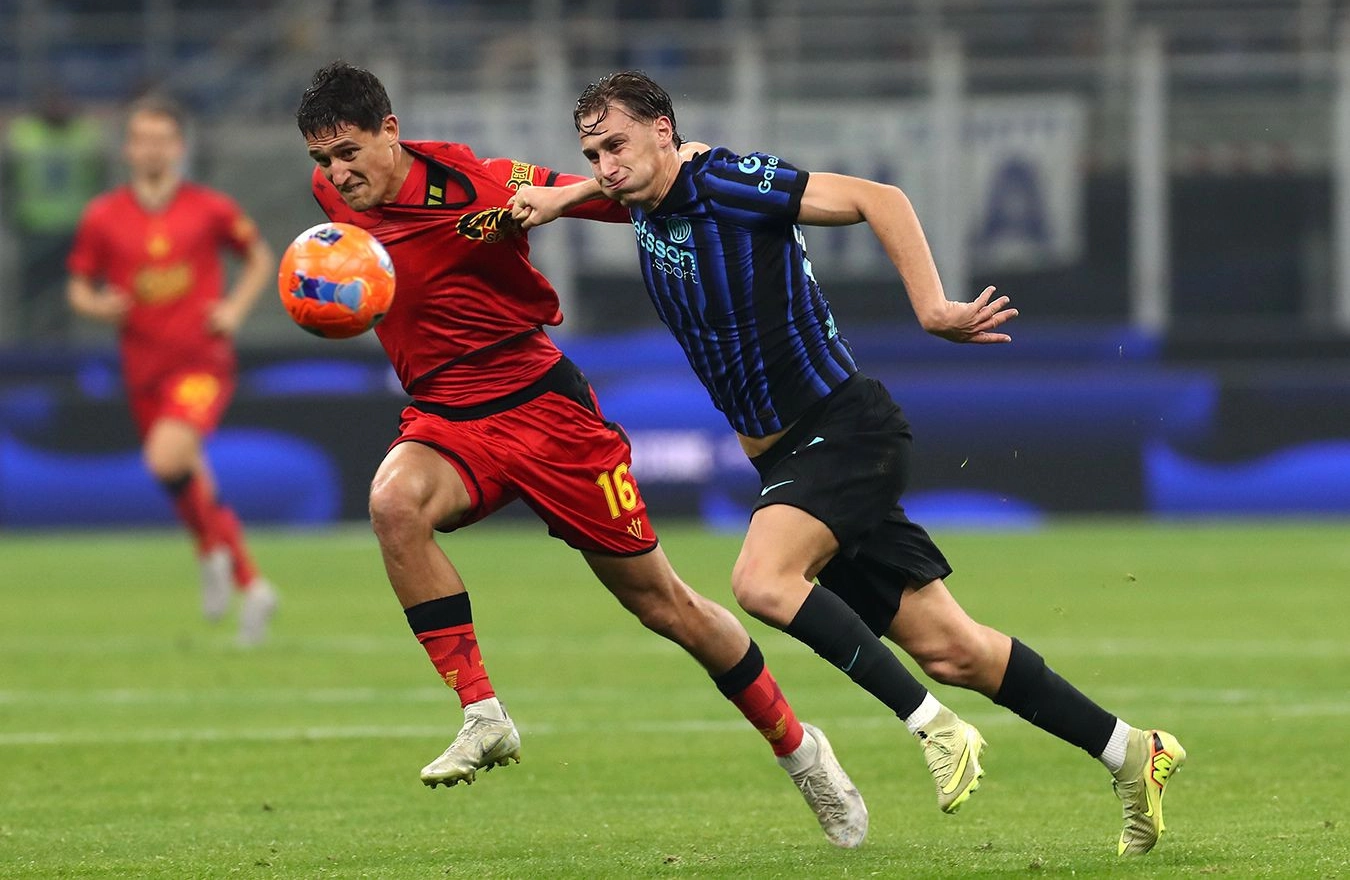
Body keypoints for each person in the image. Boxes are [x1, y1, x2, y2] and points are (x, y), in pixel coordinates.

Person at [509, 69, 1187, 857]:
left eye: (616, 146)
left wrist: (933, 308)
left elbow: (878, 198)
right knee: (954, 650)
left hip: (844, 431)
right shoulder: (640, 192)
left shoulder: (728, 182)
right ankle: (1132, 751)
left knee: (762, 581)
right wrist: (558, 199)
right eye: (592, 154)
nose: (605, 166)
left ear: (664, 130)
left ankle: (932, 726)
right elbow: (619, 186)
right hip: (792, 459)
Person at [292, 60, 868, 849]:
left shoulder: (480, 184)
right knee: (393, 503)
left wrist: (660, 170)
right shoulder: (332, 200)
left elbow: (620, 192)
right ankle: (482, 713)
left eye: (349, 152)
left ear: (390, 131)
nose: (337, 174)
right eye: (322, 160)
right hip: (448, 418)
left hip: (545, 414)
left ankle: (799, 750)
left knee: (665, 606)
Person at [66, 95, 278, 646]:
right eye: (143, 139)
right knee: (182, 476)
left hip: (201, 362)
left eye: (163, 139)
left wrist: (234, 310)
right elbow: (78, 287)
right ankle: (251, 584)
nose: (153, 149)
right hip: (142, 368)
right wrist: (98, 306)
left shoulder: (209, 208)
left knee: (166, 457)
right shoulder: (103, 216)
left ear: (179, 147)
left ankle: (211, 554)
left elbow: (259, 257)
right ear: (128, 148)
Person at [3, 90, 107, 341]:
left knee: (71, 291)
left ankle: (65, 343)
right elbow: (8, 180)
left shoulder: (85, 136)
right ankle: (28, 341)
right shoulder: (23, 135)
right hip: (34, 226)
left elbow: (100, 178)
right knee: (32, 292)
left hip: (74, 228)